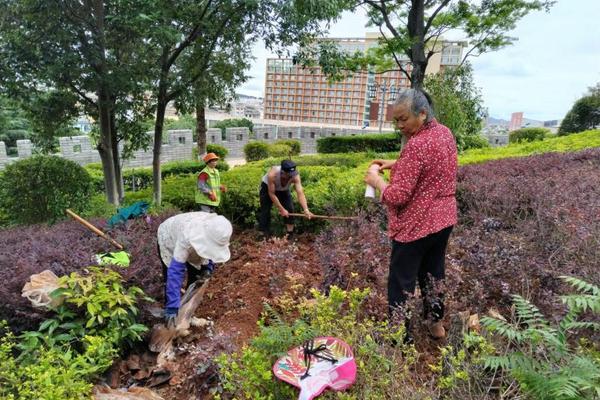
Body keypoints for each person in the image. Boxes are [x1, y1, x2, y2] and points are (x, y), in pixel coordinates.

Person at [364, 89, 457, 340]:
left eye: (403, 119)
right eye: (396, 120)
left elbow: (398, 196)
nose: (399, 125)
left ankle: (398, 337)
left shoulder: (417, 145)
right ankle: (436, 326)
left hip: (416, 226)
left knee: (401, 282)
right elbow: (434, 165)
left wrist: (376, 181)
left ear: (422, 114)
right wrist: (397, 163)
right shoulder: (444, 133)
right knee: (433, 274)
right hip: (443, 220)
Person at [157, 212, 233, 326]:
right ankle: (171, 315)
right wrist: (172, 306)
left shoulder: (216, 230)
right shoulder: (186, 236)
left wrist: (208, 267)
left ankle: (186, 315)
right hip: (169, 236)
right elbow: (175, 272)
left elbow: (213, 251)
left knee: (196, 278)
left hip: (192, 235)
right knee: (170, 278)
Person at [259, 159, 314, 237]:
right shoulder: (272, 175)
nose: (291, 176)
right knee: (265, 209)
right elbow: (272, 194)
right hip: (267, 188)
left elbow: (300, 193)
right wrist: (281, 209)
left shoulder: (295, 176)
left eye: (293, 174)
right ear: (282, 172)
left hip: (283, 189)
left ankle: (289, 234)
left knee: (290, 208)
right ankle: (263, 234)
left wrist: (306, 210)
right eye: (289, 174)